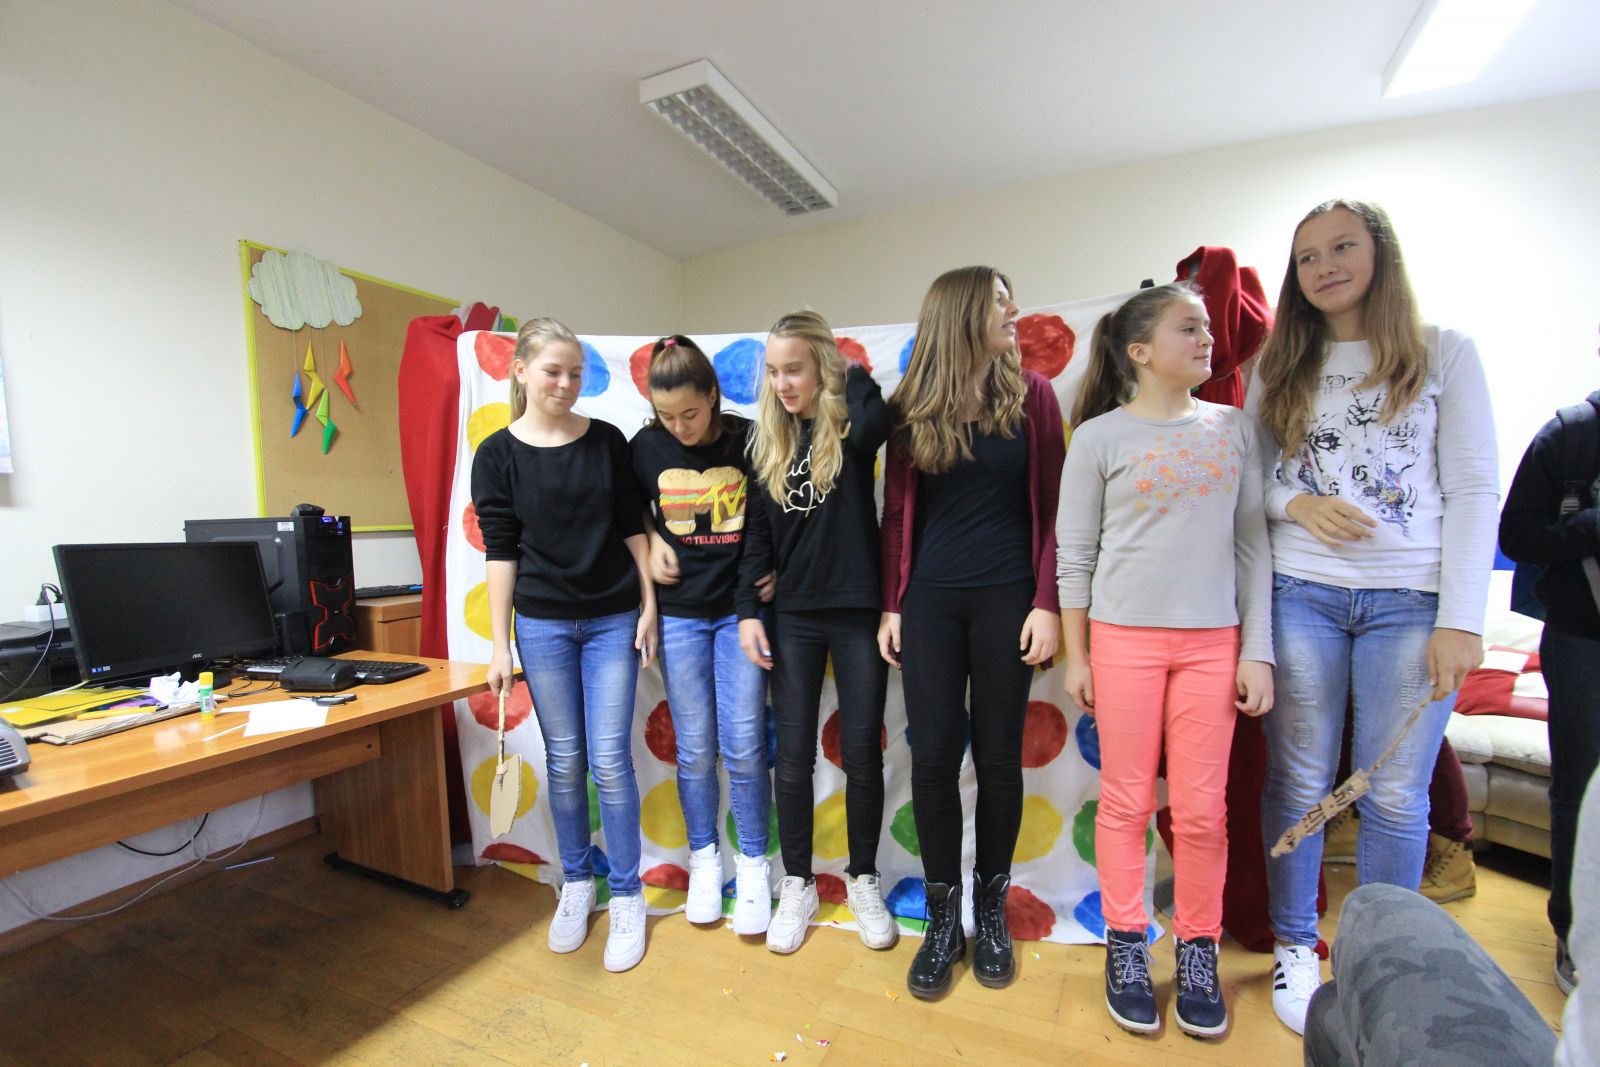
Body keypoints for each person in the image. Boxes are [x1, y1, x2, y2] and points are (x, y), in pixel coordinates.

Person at [1247, 199, 1499, 1034]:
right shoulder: (1279, 362)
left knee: (1394, 792)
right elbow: (1253, 481)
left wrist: (1463, 617)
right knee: (1298, 779)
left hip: (1412, 601)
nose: (1324, 267)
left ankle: (1382, 962)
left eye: (1342, 247)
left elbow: (1474, 487)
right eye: (1308, 256)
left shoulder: (1443, 351)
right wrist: (1298, 503)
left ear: (1379, 253)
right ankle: (1295, 944)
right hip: (1302, 593)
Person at [1056, 282, 1274, 1036]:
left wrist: (1257, 651)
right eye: (1190, 328)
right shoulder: (1098, 439)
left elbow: (1253, 548)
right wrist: (1077, 656)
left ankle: (1198, 946)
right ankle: (1126, 943)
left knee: (1203, 811)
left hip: (1213, 644)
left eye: (1206, 328)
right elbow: (1075, 558)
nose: (1207, 339)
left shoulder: (1235, 428)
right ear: (1140, 351)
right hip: (1123, 642)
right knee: (1125, 803)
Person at [877, 266, 1065, 999]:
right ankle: (942, 919)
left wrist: (1047, 601)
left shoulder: (1034, 397)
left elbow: (1053, 506)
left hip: (1008, 599)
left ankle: (990, 912)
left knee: (998, 758)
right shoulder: (912, 407)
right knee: (931, 760)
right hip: (929, 601)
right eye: (998, 301)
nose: (1013, 310)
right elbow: (898, 510)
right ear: (961, 313)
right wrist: (893, 604)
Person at [472, 317, 657, 973]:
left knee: (610, 759)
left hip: (612, 618)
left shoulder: (606, 442)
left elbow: (634, 528)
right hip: (542, 625)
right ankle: (576, 883)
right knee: (565, 759)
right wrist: (500, 646)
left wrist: (649, 604)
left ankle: (628, 893)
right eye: (553, 371)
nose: (566, 383)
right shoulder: (496, 455)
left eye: (575, 373)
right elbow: (501, 551)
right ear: (521, 370)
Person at [736, 309, 895, 956]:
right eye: (774, 372)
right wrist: (748, 608)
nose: (783, 384)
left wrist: (845, 369)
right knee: (794, 754)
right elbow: (756, 535)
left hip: (857, 609)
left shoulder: (850, 426)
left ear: (822, 367)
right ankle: (797, 882)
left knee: (861, 752)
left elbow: (882, 421)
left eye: (795, 369)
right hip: (794, 616)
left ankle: (863, 878)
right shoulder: (766, 442)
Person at [630, 335, 776, 935]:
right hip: (681, 616)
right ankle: (704, 861)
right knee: (694, 749)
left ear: (713, 395)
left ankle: (755, 866)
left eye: (689, 412)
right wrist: (653, 539)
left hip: (740, 613)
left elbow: (768, 520)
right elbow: (626, 510)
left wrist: (761, 587)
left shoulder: (748, 440)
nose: (680, 427)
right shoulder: (645, 448)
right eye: (667, 416)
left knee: (744, 745)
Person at [1499, 380, 1600, 995]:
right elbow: (1517, 537)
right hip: (1581, 635)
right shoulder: (1571, 435)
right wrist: (1592, 526)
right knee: (1579, 790)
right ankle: (1574, 932)